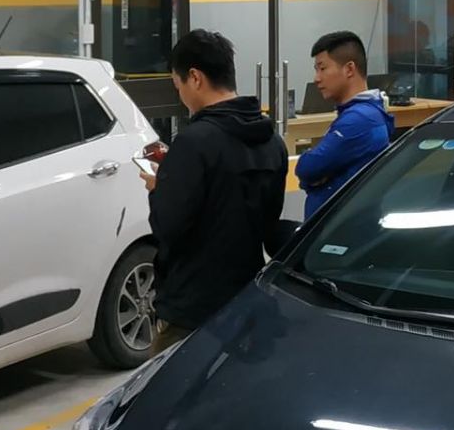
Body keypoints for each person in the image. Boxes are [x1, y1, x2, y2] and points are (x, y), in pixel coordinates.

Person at [144, 30, 286, 353]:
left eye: (178, 84)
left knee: (170, 384)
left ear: (195, 78)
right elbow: (269, 219)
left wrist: (159, 188)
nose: (180, 94)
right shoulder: (272, 141)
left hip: (192, 308)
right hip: (245, 299)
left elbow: (167, 226)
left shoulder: (194, 143)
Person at [296, 31, 394, 219]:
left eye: (322, 68)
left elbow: (307, 167)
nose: (317, 78)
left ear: (349, 69)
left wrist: (314, 177)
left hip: (340, 225)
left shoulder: (359, 119)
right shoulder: (363, 113)